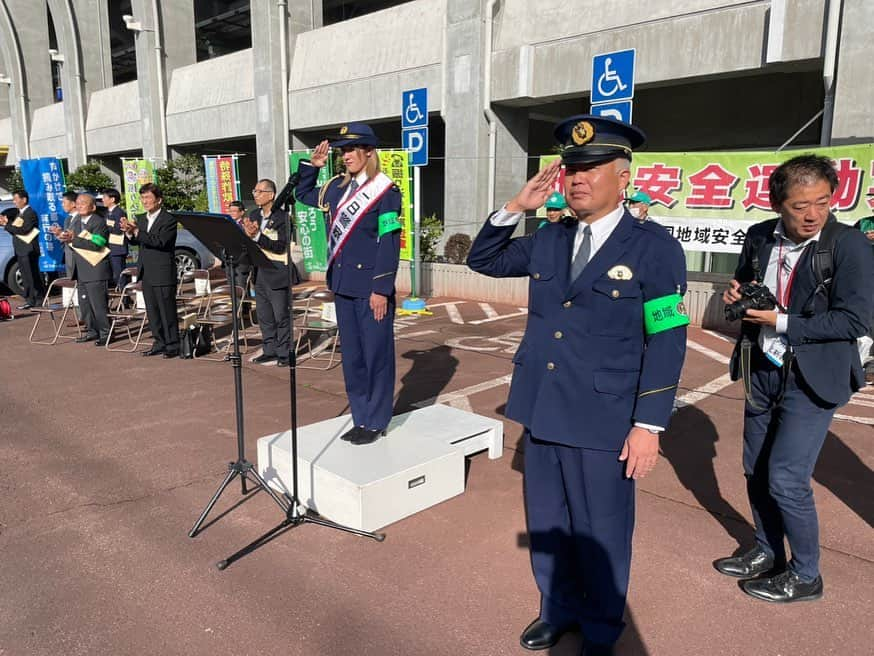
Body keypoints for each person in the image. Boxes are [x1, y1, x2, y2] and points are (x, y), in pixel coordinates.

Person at [467, 115, 688, 656]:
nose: (577, 178)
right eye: (571, 168)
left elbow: (668, 339)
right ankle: (555, 609)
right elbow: (483, 259)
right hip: (543, 409)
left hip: (604, 417)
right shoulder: (549, 236)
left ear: (623, 177)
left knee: (601, 532)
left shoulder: (653, 248)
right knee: (548, 523)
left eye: (591, 168)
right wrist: (514, 208)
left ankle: (601, 629)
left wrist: (648, 425)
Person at [714, 154, 873, 602]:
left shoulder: (850, 246)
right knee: (756, 469)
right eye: (800, 205)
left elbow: (855, 321)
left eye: (822, 202)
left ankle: (807, 574)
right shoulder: (760, 236)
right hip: (763, 368)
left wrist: (781, 321)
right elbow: (746, 285)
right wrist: (736, 292)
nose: (812, 214)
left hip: (814, 376)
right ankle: (767, 552)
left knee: (786, 477)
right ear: (777, 203)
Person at [295, 122, 403, 445]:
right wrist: (311, 168)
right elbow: (303, 195)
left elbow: (389, 241)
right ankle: (360, 417)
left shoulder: (386, 190)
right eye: (343, 151)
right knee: (353, 357)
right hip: (342, 286)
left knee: (376, 356)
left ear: (369, 151)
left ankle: (376, 421)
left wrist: (381, 289)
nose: (346, 156)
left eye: (352, 149)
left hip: (371, 289)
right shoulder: (335, 188)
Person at [121, 183, 180, 358]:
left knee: (166, 309)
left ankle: (172, 344)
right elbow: (135, 241)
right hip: (146, 271)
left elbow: (160, 241)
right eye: (142, 198)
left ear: (159, 200)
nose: (144, 201)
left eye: (148, 197)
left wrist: (137, 231)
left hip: (163, 271)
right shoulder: (140, 218)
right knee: (152, 310)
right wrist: (129, 232)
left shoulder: (168, 219)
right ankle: (159, 341)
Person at [49, 193, 111, 345]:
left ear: (93, 207)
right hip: (81, 269)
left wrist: (73, 239)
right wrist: (60, 235)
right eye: (78, 203)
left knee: (98, 304)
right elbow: (70, 239)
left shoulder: (99, 222)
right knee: (85, 304)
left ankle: (106, 333)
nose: (80, 205)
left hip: (96, 269)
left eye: (84, 203)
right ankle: (92, 331)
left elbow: (98, 244)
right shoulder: (76, 221)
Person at [244, 180, 293, 367]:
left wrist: (257, 236)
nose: (256, 194)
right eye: (254, 190)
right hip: (259, 272)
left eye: (260, 191)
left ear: (271, 195)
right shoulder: (254, 214)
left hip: (277, 272)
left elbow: (280, 246)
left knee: (281, 315)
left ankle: (284, 352)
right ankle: (269, 350)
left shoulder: (282, 217)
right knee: (264, 316)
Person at [0, 189, 45, 309]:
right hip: (20, 249)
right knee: (25, 276)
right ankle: (30, 300)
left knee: (32, 275)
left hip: (29, 249)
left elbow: (24, 230)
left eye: (16, 199)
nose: (14, 202)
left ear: (24, 200)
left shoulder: (30, 213)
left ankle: (38, 299)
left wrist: (7, 225)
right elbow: (15, 230)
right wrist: (7, 224)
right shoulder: (19, 214)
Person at [101, 188, 129, 290]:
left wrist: (106, 225)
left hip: (117, 248)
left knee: (119, 274)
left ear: (112, 199)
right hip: (109, 247)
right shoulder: (107, 212)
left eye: (104, 197)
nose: (102, 200)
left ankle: (124, 298)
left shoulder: (119, 212)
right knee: (113, 275)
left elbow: (119, 229)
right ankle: (122, 296)